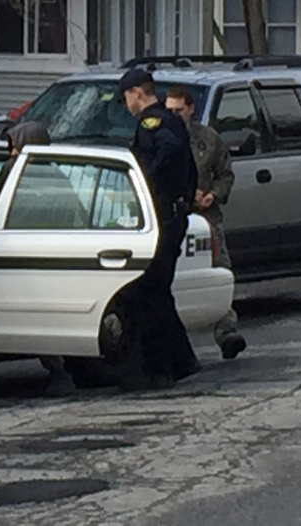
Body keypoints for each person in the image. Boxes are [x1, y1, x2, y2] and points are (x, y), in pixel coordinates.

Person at [115, 67, 200, 390]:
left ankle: (160, 369)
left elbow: (169, 152)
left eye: (126, 99)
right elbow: (189, 167)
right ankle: (183, 359)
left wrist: (143, 182)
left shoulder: (154, 122)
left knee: (149, 290)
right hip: (172, 213)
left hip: (162, 216)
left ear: (137, 92)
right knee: (158, 290)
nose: (127, 107)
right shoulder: (173, 120)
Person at [0, 121, 77, 397]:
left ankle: (59, 371)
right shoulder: (57, 175)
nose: (10, 152)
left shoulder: (15, 170)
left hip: (19, 253)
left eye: (13, 145)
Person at [164, 86, 247, 360]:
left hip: (206, 218)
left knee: (220, 270)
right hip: (172, 217)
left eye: (179, 110)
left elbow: (225, 175)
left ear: (190, 110)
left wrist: (214, 195)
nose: (174, 115)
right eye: (169, 111)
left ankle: (227, 331)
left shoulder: (208, 140)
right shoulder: (160, 139)